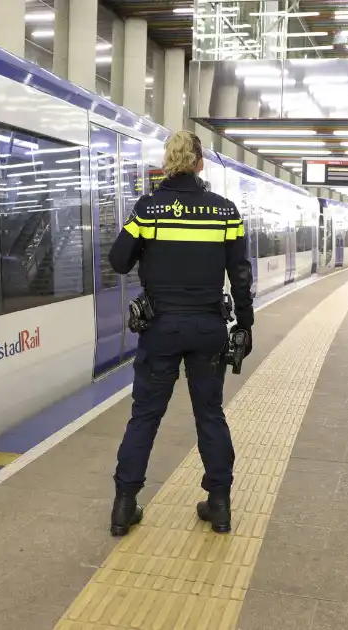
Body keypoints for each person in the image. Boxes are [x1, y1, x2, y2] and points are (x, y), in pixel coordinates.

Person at [106, 130, 254, 537]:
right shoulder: (225, 212)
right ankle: (219, 505)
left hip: (161, 329)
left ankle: (124, 506)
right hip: (208, 327)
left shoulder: (149, 210)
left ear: (168, 164)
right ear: (200, 163)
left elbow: (118, 261)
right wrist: (245, 322)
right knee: (210, 414)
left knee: (145, 415)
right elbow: (240, 274)